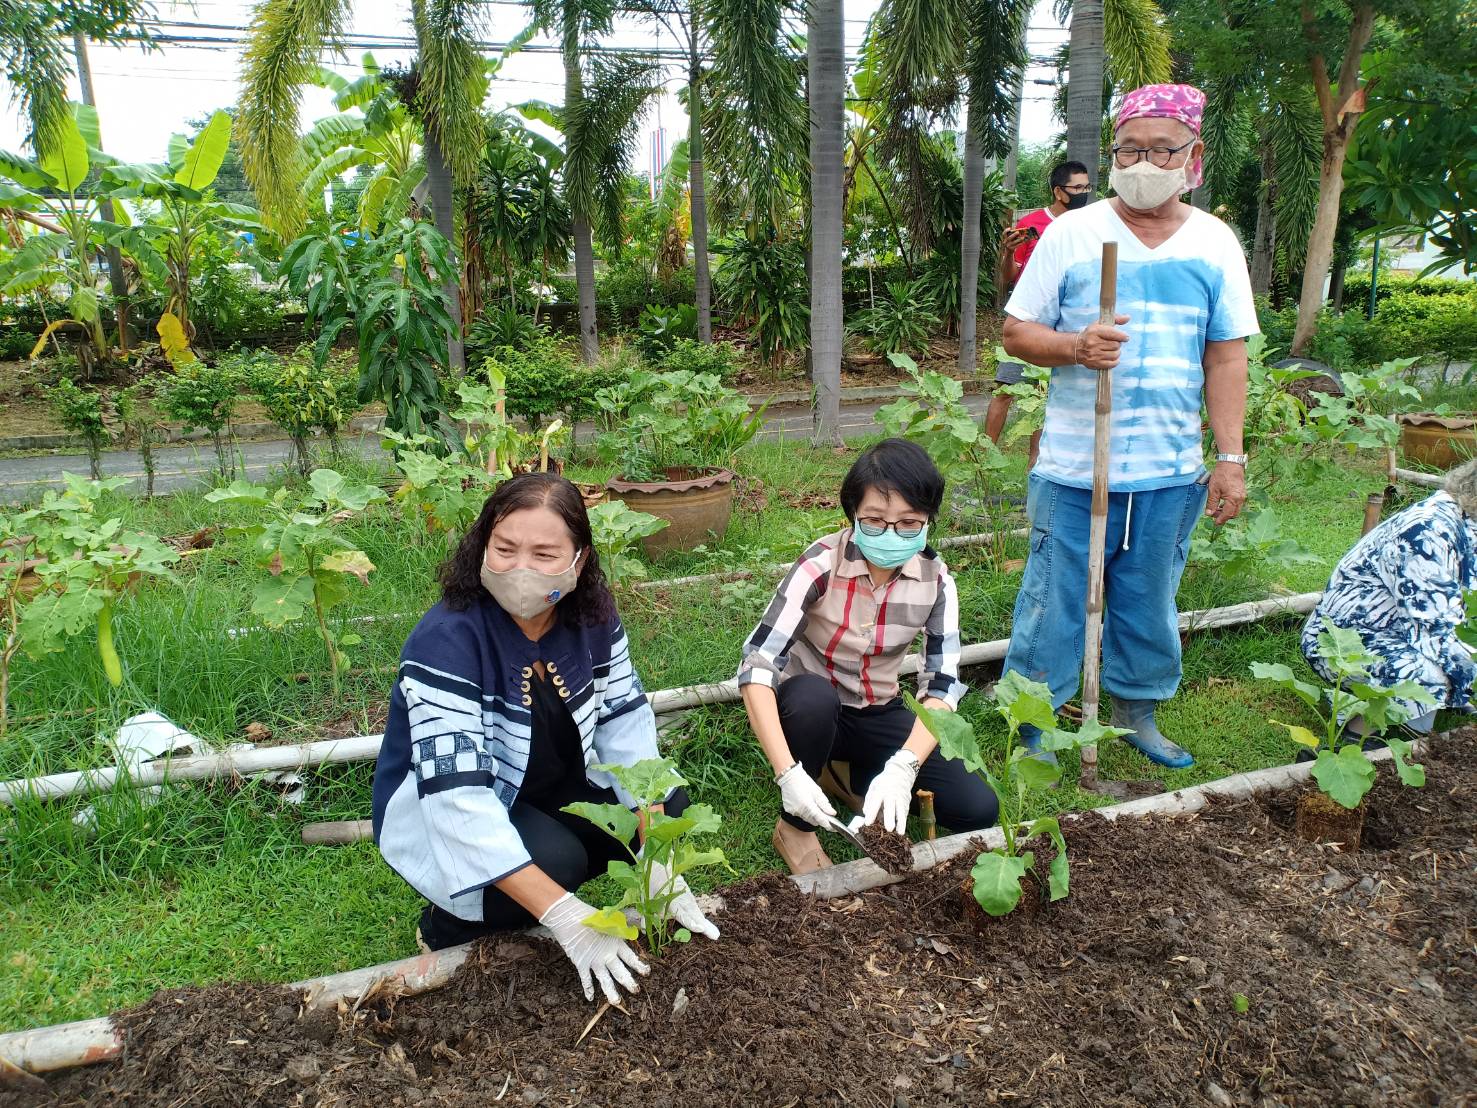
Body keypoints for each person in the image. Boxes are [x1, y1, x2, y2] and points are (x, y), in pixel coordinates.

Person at [373, 473, 719, 1004]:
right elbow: (456, 798)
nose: (521, 570)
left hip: (548, 779)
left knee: (667, 802)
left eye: (545, 553)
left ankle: (532, 885)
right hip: (450, 799)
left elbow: (625, 727)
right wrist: (564, 915)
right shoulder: (447, 640)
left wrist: (659, 861)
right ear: (482, 546)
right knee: (558, 862)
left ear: (579, 559)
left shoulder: (591, 617)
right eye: (505, 549)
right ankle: (447, 927)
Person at [998, 83, 1256, 771]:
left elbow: (1225, 354)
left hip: (1168, 469)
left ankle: (1134, 713)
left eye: (1159, 149)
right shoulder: (1074, 234)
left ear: (1192, 158)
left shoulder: (1214, 243)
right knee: (1052, 601)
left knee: (1148, 601)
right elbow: (1017, 332)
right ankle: (1037, 723)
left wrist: (1227, 456)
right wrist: (1073, 346)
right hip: (1075, 464)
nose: (1143, 162)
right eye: (1128, 149)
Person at [737, 439, 999, 875]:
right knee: (811, 701)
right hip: (811, 708)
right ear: (852, 517)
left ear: (929, 521)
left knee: (976, 808)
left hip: (878, 709)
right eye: (874, 521)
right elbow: (757, 666)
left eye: (909, 523)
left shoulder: (937, 582)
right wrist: (787, 774)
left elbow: (941, 683)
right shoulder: (819, 566)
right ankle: (795, 827)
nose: (891, 535)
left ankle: (848, 776)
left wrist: (905, 764)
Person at [1302, 459, 1477, 736]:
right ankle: (1362, 741)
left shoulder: (1467, 522)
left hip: (1405, 631)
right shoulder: (1427, 532)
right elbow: (1435, 630)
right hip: (1347, 640)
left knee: (1450, 671)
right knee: (1424, 678)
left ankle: (1442, 700)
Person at [985, 160, 1093, 460]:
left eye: (1087, 187)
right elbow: (1008, 275)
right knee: (1005, 389)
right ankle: (984, 459)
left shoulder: (1089, 226)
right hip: (1030, 321)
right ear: (1059, 192)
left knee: (1042, 396)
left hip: (1069, 323)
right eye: (1078, 188)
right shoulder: (1032, 224)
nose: (1084, 193)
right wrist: (1006, 251)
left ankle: (1037, 465)